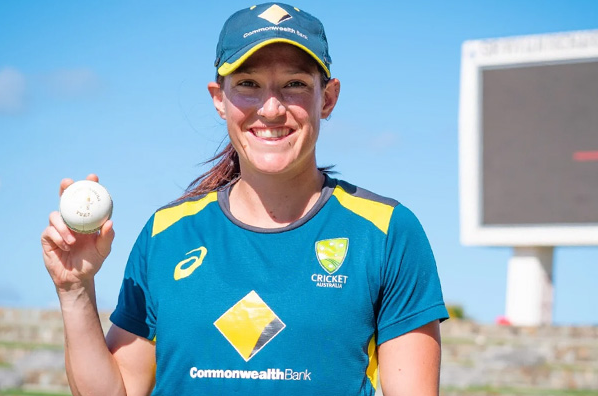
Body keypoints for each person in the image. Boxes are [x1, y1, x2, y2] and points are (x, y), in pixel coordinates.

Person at [41, 3, 449, 395]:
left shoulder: (386, 231)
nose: (271, 109)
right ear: (219, 98)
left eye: (295, 84)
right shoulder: (167, 234)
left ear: (327, 98)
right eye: (248, 85)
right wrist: (75, 288)